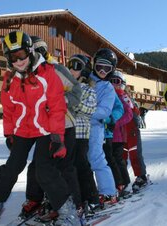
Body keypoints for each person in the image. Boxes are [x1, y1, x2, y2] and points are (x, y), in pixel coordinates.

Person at [0, 31, 79, 226]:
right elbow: (8, 111)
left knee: (44, 171)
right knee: (11, 169)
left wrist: (57, 138)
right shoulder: (9, 79)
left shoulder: (48, 74)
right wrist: (8, 133)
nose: (18, 61)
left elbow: (58, 108)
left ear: (30, 51)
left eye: (22, 55)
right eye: (12, 57)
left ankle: (69, 214)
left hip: (45, 130)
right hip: (22, 131)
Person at [19, 36, 83, 222]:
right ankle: (35, 199)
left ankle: (74, 205)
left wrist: (60, 101)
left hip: (64, 125)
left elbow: (76, 91)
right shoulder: (25, 75)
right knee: (37, 167)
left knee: (64, 167)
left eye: (41, 52)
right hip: (42, 129)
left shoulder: (56, 69)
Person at [67, 54, 100, 211]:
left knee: (81, 165)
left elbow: (89, 110)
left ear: (85, 70)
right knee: (68, 167)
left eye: (77, 66)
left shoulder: (89, 90)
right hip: (66, 132)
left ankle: (92, 198)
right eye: (70, 65)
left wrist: (71, 104)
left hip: (81, 134)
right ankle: (75, 198)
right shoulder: (66, 88)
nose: (72, 69)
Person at [88, 48, 118, 206]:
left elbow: (105, 110)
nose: (102, 71)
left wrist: (85, 112)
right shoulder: (84, 78)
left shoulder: (108, 88)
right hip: (76, 127)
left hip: (94, 128)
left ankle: (108, 192)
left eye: (107, 68)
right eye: (100, 66)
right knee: (77, 161)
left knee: (96, 159)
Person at [107, 70, 133, 196]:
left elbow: (129, 114)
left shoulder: (122, 96)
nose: (113, 84)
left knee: (118, 159)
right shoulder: (108, 94)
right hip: (109, 135)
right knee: (110, 159)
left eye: (116, 81)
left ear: (122, 83)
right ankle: (116, 182)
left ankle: (124, 182)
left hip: (119, 135)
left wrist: (115, 123)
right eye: (111, 81)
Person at [123, 85, 150, 191]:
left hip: (132, 132)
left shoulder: (131, 103)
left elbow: (137, 119)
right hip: (120, 133)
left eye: (127, 93)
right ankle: (122, 179)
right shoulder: (116, 100)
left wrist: (134, 111)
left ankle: (141, 176)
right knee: (121, 156)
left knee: (135, 154)